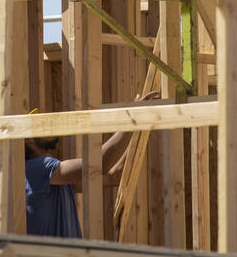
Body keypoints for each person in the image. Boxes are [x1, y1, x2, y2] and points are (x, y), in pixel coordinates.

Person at [24, 92, 158, 238]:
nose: (50, 127)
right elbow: (100, 163)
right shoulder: (37, 168)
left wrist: (139, 128)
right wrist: (133, 118)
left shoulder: (54, 179)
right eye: (41, 125)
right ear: (28, 140)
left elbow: (115, 175)